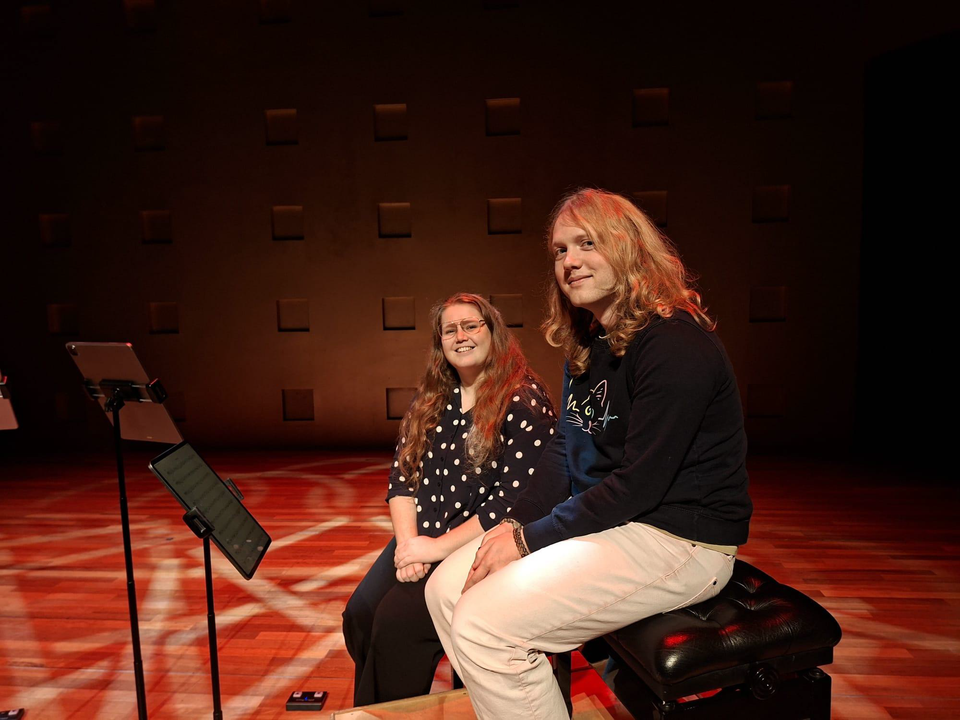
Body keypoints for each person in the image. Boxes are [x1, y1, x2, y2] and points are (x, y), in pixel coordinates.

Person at [424, 189, 753, 719]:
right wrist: (510, 524)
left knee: (484, 624)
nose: (569, 261)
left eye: (586, 243)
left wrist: (527, 541)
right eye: (559, 250)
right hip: (620, 520)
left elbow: (639, 485)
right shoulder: (591, 339)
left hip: (681, 538)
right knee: (445, 588)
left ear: (628, 248)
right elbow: (563, 453)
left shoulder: (674, 343)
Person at [342, 292, 555, 706]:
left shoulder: (522, 400)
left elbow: (512, 502)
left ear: (493, 332)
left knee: (394, 625)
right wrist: (409, 547)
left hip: (480, 542)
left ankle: (388, 713)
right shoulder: (432, 398)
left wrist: (435, 548)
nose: (461, 336)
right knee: (361, 614)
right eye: (449, 329)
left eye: (471, 325)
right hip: (423, 536)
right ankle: (375, 707)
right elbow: (402, 478)